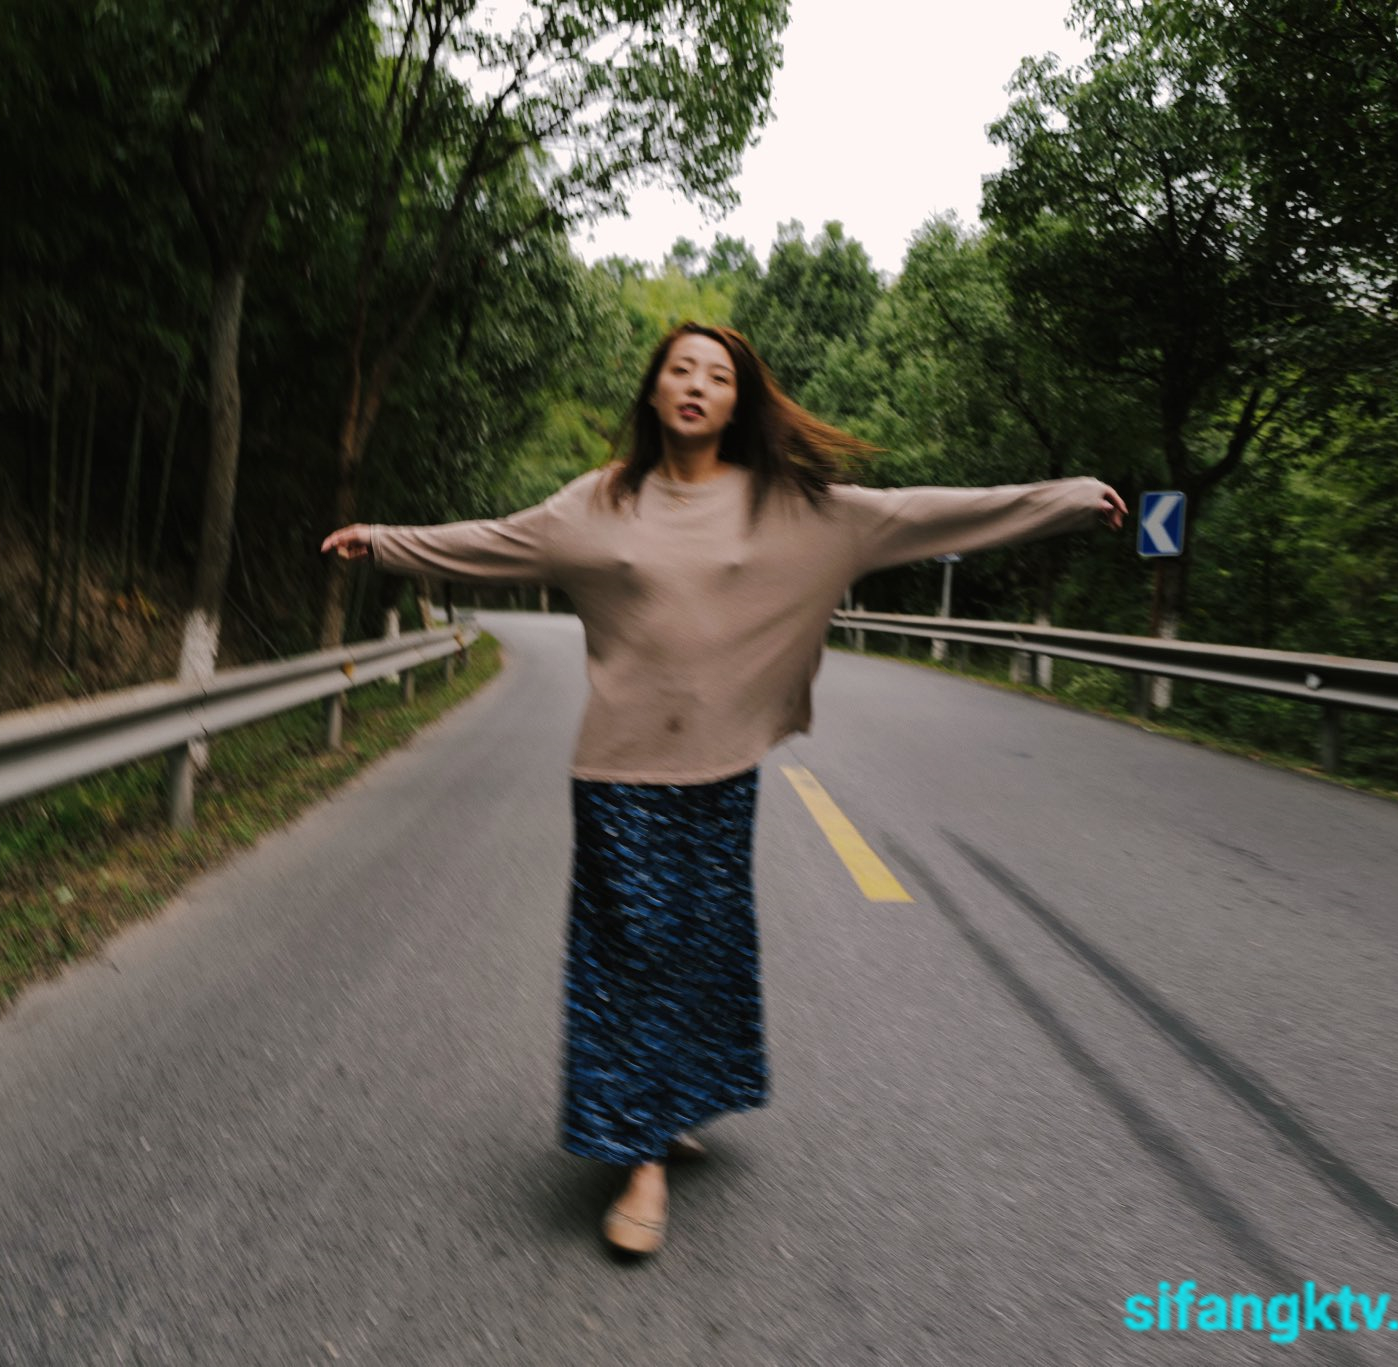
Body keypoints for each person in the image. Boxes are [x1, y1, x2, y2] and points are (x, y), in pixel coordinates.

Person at [320, 323, 1126, 1257]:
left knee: (702, 952)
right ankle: (641, 1159)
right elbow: (494, 542)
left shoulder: (791, 506)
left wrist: (1068, 500)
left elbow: (927, 515)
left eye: (717, 374)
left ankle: (671, 1105)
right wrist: (383, 542)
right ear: (654, 391)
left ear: (738, 400)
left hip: (722, 773)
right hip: (620, 773)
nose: (697, 384)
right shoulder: (598, 502)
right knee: (630, 960)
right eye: (681, 370)